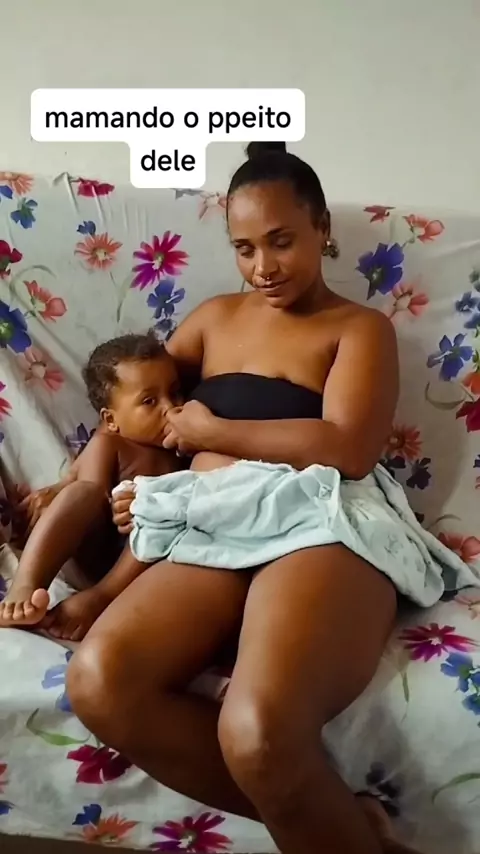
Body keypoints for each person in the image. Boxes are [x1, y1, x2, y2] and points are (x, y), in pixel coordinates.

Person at [64, 141, 472, 854]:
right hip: (211, 518)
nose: (263, 267)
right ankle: (349, 825)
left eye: (281, 241)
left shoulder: (359, 328)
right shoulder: (211, 319)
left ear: (322, 228)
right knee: (102, 682)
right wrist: (97, 482)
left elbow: (348, 448)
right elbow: (137, 409)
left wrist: (218, 430)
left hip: (321, 517)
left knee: (255, 730)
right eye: (245, 248)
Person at [0, 331, 183, 640]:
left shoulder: (186, 443)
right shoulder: (110, 444)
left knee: (165, 519)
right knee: (81, 492)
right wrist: (121, 506)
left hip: (150, 567)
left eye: (176, 393)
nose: (171, 408)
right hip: (103, 553)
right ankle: (26, 586)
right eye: (149, 401)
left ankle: (102, 599)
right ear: (110, 420)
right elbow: (90, 504)